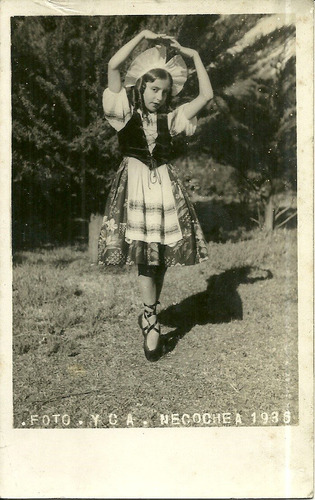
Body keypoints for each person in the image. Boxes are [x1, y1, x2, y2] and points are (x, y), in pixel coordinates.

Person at [98, 30, 213, 361]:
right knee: (147, 257)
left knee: (159, 256)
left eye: (165, 91)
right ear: (141, 87)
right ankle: (150, 320)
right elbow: (114, 65)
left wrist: (194, 56)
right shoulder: (123, 111)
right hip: (134, 184)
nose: (159, 96)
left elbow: (206, 95)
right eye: (153, 89)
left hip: (164, 186)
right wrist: (143, 36)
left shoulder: (172, 118)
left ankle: (150, 312)